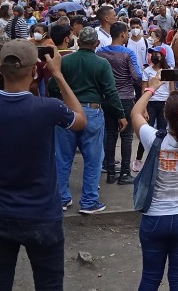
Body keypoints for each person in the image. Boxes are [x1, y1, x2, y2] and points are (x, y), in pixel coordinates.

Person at [0, 40, 87, 290]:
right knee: (49, 284)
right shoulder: (49, 108)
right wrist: (57, 74)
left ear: (2, 69)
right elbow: (80, 120)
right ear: (35, 71)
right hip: (42, 215)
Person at [129, 69, 178, 291]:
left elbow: (135, 113)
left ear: (165, 116)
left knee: (150, 278)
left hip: (155, 218)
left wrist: (152, 88)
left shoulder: (154, 139)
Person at [50, 27, 124, 215]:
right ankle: (89, 201)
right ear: (97, 44)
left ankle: (62, 198)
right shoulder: (101, 63)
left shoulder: (66, 61)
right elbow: (111, 91)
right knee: (93, 159)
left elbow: (53, 85)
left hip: (66, 112)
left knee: (63, 158)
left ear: (78, 41)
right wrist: (120, 114)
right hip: (92, 111)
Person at [97, 22, 140, 185]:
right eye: (127, 33)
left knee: (110, 134)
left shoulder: (100, 52)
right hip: (126, 98)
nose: (128, 35)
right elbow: (136, 76)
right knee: (127, 136)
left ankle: (110, 172)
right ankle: (124, 173)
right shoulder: (128, 53)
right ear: (122, 34)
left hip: (107, 98)